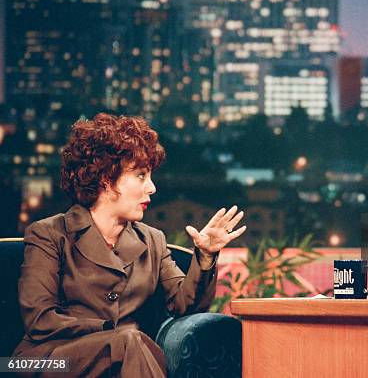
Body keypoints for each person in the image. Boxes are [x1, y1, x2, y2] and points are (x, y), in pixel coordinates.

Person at [12, 113, 246, 376]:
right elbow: (40, 320)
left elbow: (186, 307)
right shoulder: (49, 234)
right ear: (105, 178)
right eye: (141, 176)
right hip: (44, 361)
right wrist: (109, 331)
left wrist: (204, 256)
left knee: (129, 344)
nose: (152, 188)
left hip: (128, 358)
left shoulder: (152, 240)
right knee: (128, 342)